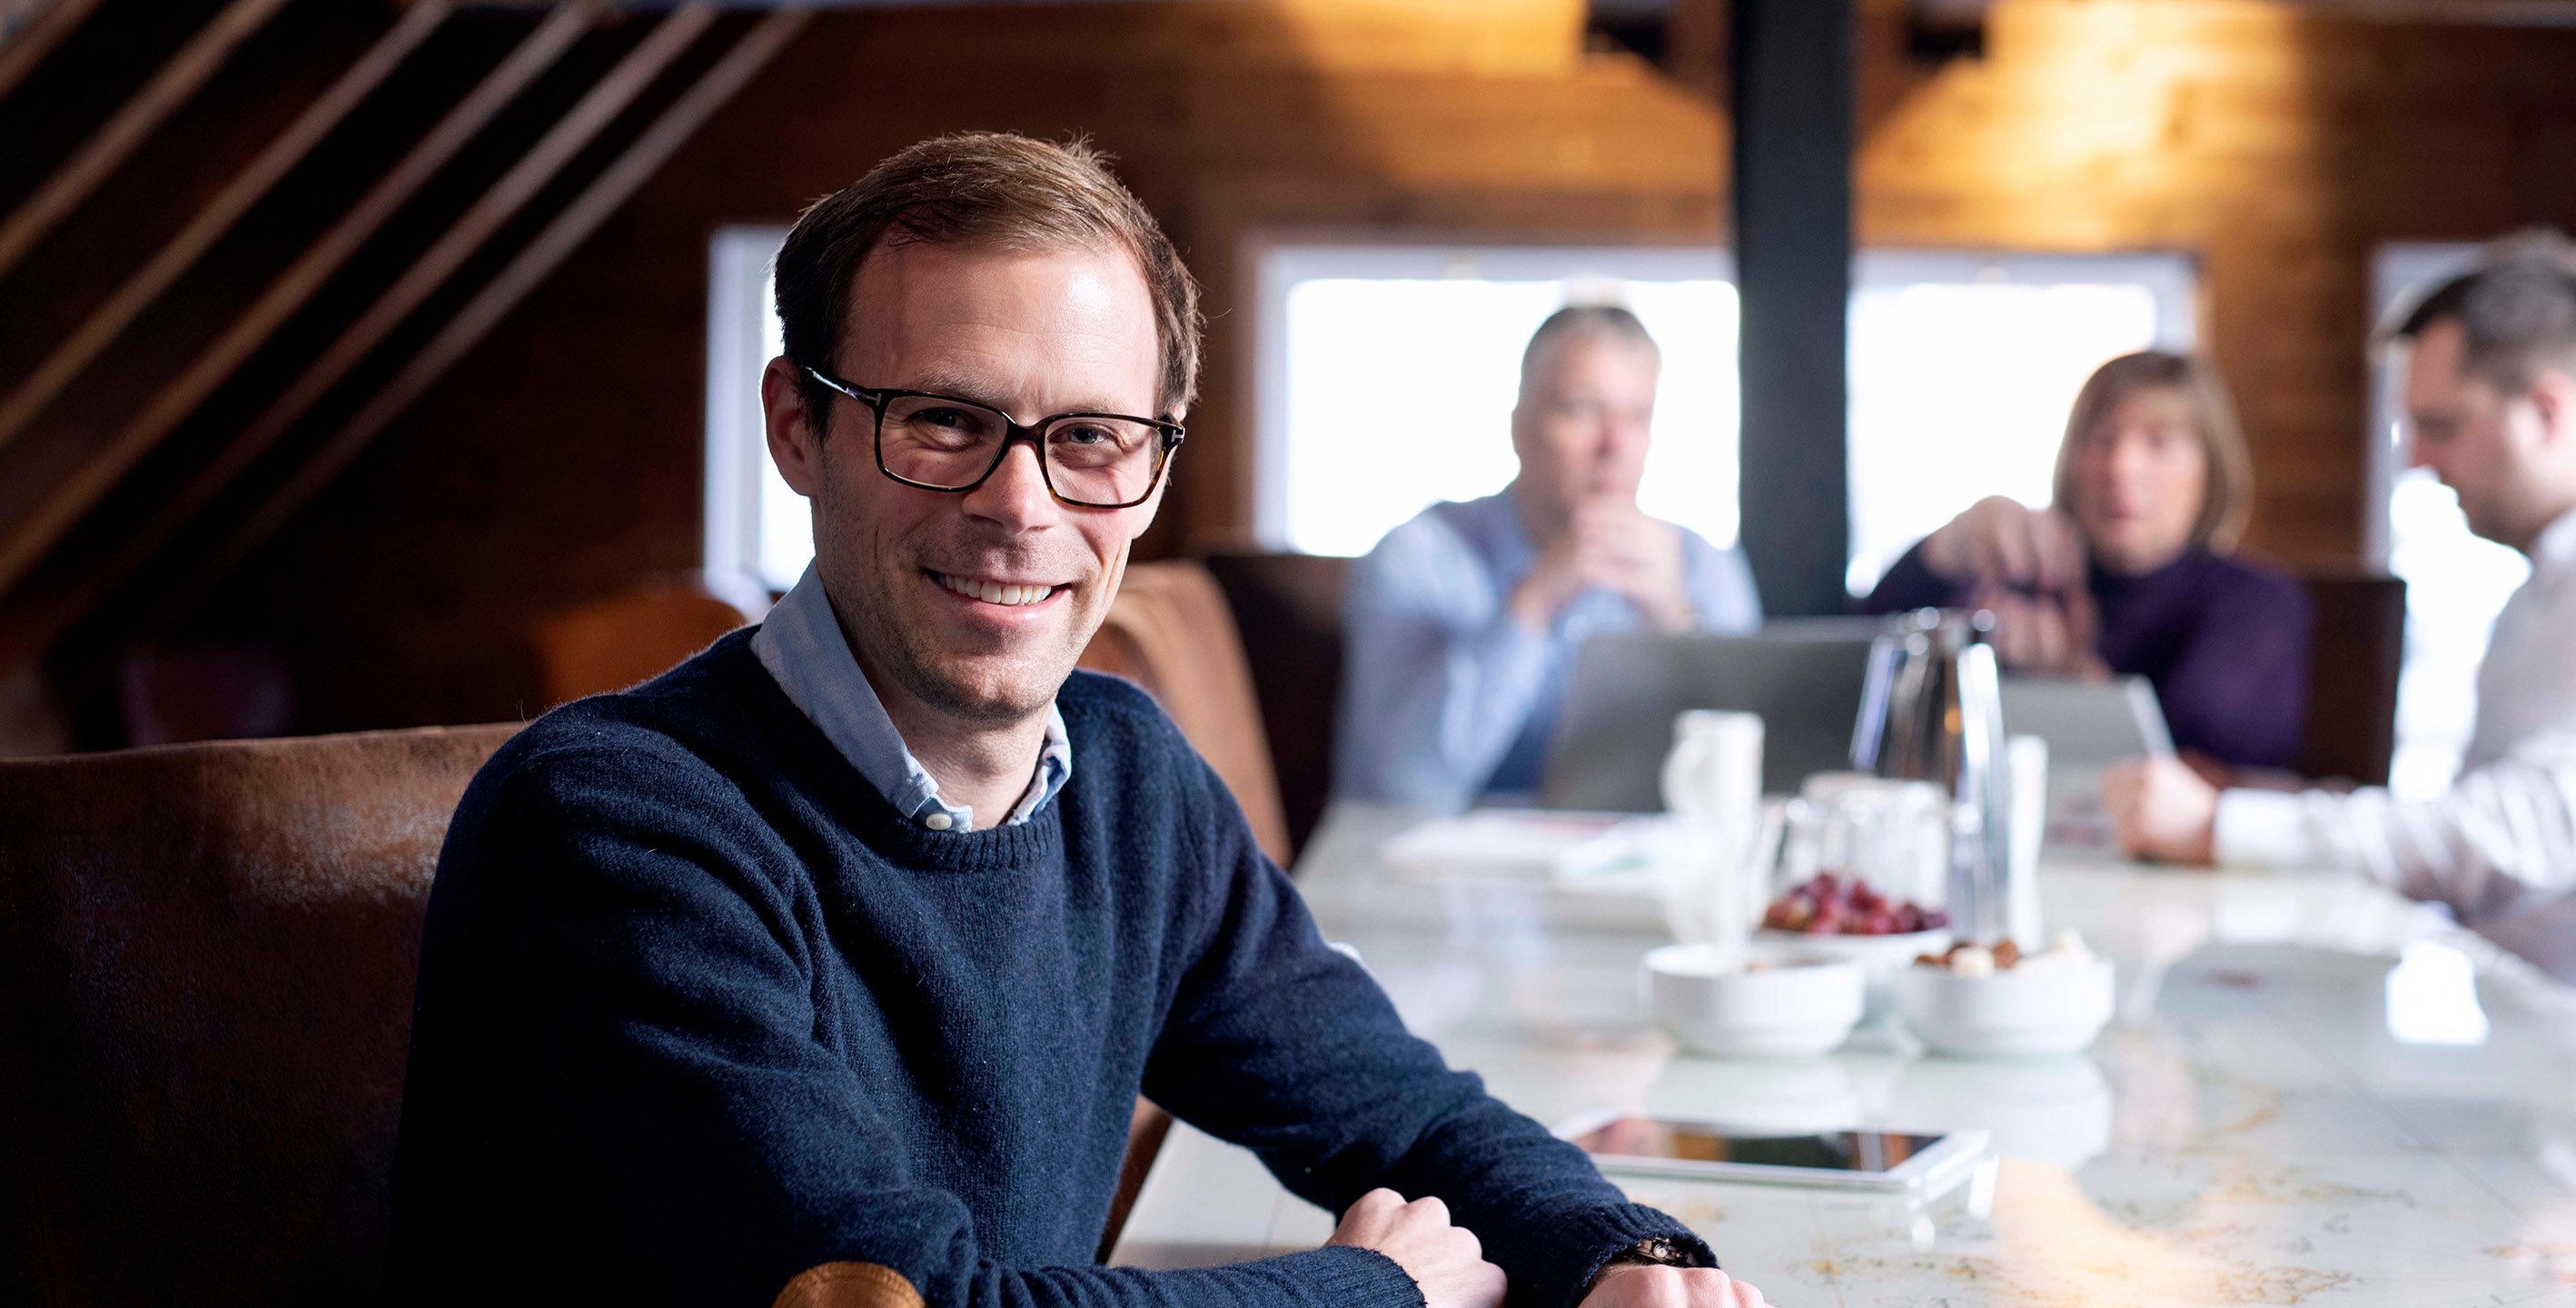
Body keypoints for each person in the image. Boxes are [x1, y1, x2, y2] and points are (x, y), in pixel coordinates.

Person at [385, 134, 1773, 1308]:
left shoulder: (1124, 777)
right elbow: (910, 1302)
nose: (1023, 506)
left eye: (1093, 437)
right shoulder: (610, 824)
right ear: (797, 428)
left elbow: (1398, 1111)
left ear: (1157, 464)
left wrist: (1624, 1252)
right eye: (942, 419)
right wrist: (1370, 1290)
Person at [2104, 238, 2576, 1015]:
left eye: (2440, 424)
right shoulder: (2553, 579)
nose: (2417, 460)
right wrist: (2247, 800)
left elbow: (2522, 839)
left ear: (2545, 410)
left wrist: (2229, 827)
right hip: (2516, 1016)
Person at [1335, 306, 1762, 811]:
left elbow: (1749, 793)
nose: (1616, 446)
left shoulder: (1698, 565)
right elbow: (1403, 788)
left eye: (1638, 416)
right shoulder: (1418, 557)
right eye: (1584, 411)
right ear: (1519, 428)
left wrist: (1676, 622)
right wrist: (1531, 604)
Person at [1859, 352, 2310, 772]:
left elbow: (2202, 751)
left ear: (2210, 468)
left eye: (2160, 442)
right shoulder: (2027, 583)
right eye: (2100, 438)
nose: (2121, 466)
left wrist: (2072, 678)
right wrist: (1949, 546)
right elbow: (1859, 667)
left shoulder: (2256, 605)